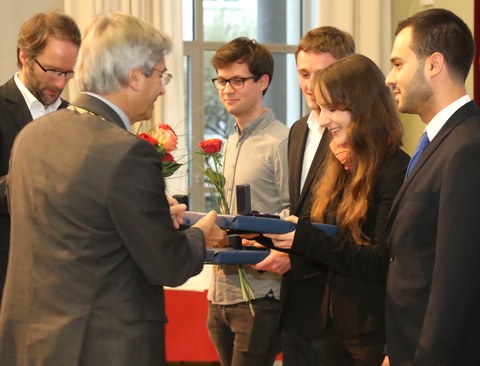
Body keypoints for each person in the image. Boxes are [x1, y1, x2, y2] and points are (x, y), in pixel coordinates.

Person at [0, 13, 226, 366]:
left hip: (33, 344)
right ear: (134, 77)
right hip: (102, 345)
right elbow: (166, 264)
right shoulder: (126, 152)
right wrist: (201, 234)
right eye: (161, 75)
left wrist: (147, 217)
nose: (163, 88)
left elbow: (76, 226)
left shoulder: (32, 136)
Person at [263, 54, 409, 365]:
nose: (323, 118)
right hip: (330, 331)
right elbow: (333, 241)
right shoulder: (342, 166)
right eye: (320, 108)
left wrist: (304, 239)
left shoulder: (395, 170)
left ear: (361, 106)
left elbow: (381, 261)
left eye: (331, 109)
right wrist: (284, 235)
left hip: (371, 337)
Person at [253, 26, 355, 365]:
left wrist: (297, 254)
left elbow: (353, 225)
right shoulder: (297, 131)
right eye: (304, 73)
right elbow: (299, 208)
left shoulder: (356, 137)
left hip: (337, 304)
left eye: (321, 73)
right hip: (295, 303)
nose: (311, 85)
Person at [384, 8, 480, 365]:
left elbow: (455, 280)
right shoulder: (437, 141)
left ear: (434, 64)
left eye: (398, 63)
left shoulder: (468, 147)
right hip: (406, 344)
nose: (389, 78)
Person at [207, 37, 289, 366]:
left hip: (260, 291)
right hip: (220, 291)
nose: (227, 88)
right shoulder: (229, 142)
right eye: (221, 80)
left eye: (237, 80)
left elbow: (292, 214)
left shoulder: (281, 140)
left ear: (263, 81)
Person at [0, 11, 81, 304]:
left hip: (66, 287)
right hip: (7, 282)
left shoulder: (78, 118)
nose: (60, 83)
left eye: (68, 73)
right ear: (24, 56)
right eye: (51, 70)